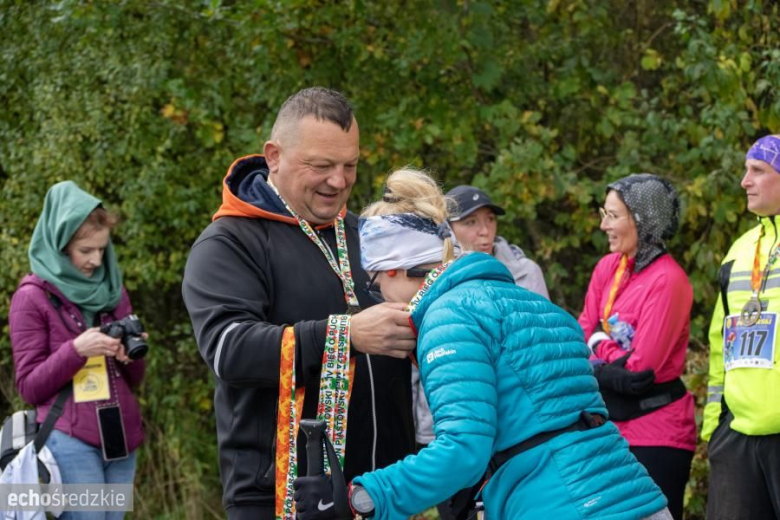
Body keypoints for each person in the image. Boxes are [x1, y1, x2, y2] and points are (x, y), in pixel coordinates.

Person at [293, 167, 673, 520]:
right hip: (634, 496)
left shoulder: (448, 316)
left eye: (375, 287)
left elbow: (463, 451)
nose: (381, 298)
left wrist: (363, 494)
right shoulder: (533, 303)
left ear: (393, 268)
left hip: (562, 505)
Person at [181, 87, 416, 520]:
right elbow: (228, 349)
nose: (339, 181)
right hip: (279, 497)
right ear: (274, 156)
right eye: (322, 166)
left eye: (350, 166)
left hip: (387, 490)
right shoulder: (230, 241)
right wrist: (346, 335)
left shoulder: (370, 235)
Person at [9, 181, 145, 520]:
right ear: (61, 246)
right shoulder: (31, 297)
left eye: (102, 249)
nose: (96, 261)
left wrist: (128, 354)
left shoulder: (112, 288)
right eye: (86, 251)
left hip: (120, 437)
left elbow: (136, 379)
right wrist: (76, 350)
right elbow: (28, 386)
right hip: (70, 437)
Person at [578, 174, 696, 520]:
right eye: (605, 213)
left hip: (658, 432)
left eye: (613, 215)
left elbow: (641, 370)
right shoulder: (607, 267)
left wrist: (597, 348)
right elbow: (580, 334)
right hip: (609, 427)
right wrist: (606, 352)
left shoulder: (668, 281)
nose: (603, 225)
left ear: (642, 221)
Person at [703, 134, 780, 520]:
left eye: (758, 171)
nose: (744, 181)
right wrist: (715, 428)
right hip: (737, 435)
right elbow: (720, 342)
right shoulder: (739, 249)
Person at [446, 184, 549, 298]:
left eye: (490, 219)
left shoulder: (527, 271)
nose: (485, 231)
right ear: (447, 229)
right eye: (471, 222)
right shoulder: (435, 278)